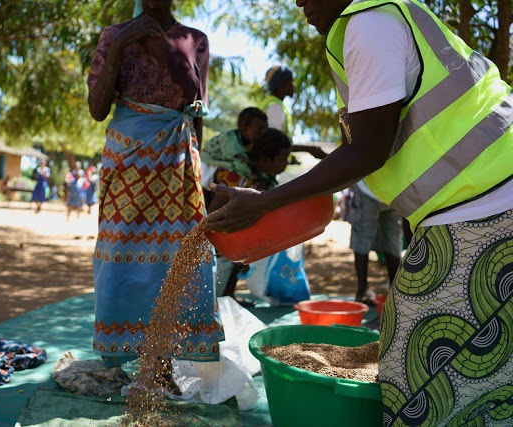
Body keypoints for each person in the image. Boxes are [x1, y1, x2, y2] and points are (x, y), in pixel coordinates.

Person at [207, 0, 513, 425]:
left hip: (489, 205)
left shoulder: (368, 26)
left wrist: (266, 203)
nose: (299, 2)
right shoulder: (382, 19)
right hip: (475, 202)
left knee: (423, 372)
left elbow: (368, 149)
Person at [87, 0, 223, 389]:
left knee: (178, 257)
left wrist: (198, 175)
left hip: (178, 161)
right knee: (121, 255)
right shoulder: (115, 35)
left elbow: (198, 112)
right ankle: (126, 354)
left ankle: (160, 366)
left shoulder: (195, 40)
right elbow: (97, 109)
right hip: (128, 159)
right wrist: (118, 47)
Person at [207, 128, 291, 304]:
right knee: (219, 277)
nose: (286, 164)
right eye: (283, 159)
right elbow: (213, 214)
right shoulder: (236, 175)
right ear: (267, 159)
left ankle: (229, 297)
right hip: (218, 237)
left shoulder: (262, 178)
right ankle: (219, 302)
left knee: (237, 265)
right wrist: (227, 244)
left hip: (236, 236)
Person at [348, 180, 402, 305]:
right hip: (394, 189)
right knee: (393, 239)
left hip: (368, 188)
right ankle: (395, 293)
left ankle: (362, 290)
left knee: (362, 236)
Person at [200, 107, 268, 205]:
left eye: (265, 130)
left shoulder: (250, 144)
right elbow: (241, 165)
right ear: (244, 128)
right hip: (208, 168)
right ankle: (210, 215)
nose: (263, 134)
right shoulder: (230, 139)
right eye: (259, 130)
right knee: (234, 177)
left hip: (222, 168)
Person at [259, 65, 328, 160]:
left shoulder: (272, 104)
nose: (293, 86)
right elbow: (274, 143)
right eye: (290, 82)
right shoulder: (275, 107)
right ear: (281, 84)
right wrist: (309, 149)